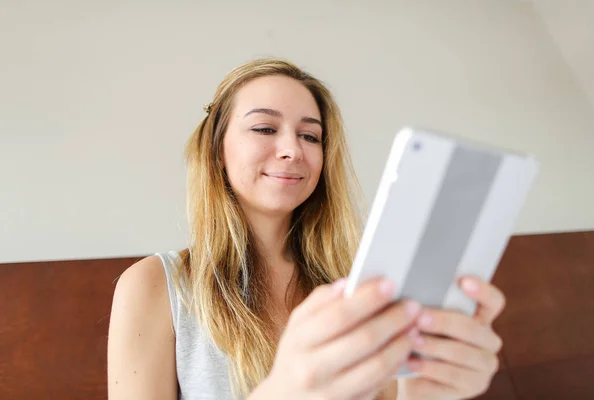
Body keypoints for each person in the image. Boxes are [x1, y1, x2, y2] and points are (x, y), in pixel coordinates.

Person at [107, 58, 505, 400]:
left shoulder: (357, 284)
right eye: (264, 128)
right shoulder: (154, 286)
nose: (293, 150)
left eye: (310, 135)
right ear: (217, 150)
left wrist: (422, 394)